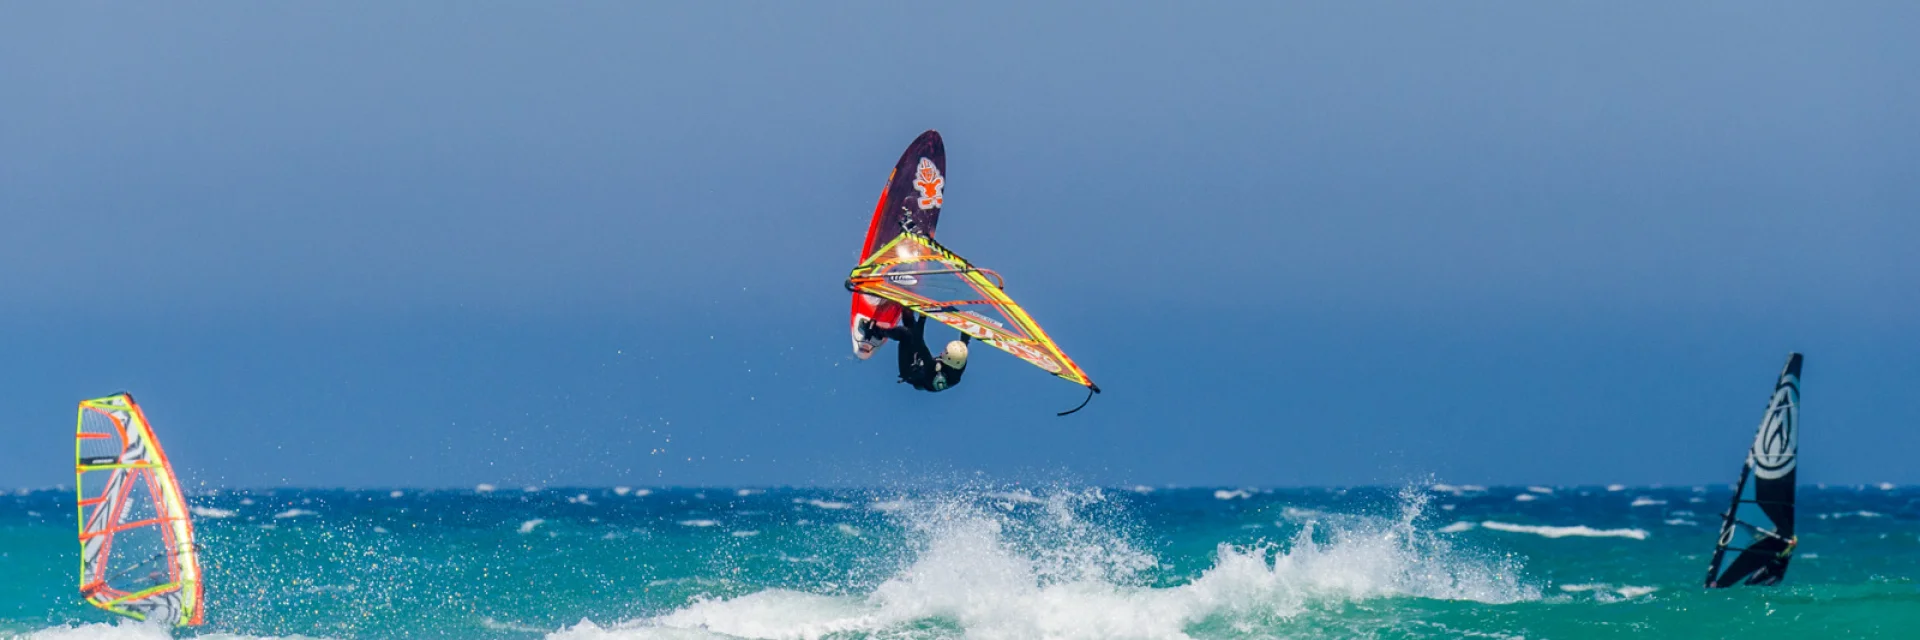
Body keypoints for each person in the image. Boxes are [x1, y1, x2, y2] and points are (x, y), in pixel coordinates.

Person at [870, 311, 969, 392]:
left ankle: (874, 332)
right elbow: (963, 344)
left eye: (945, 352)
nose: (942, 353)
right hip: (922, 371)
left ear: (948, 360)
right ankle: (907, 308)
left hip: (909, 371)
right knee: (911, 328)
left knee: (906, 334)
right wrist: (967, 329)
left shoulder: (932, 368)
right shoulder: (959, 362)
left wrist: (923, 316)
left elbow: (918, 340)